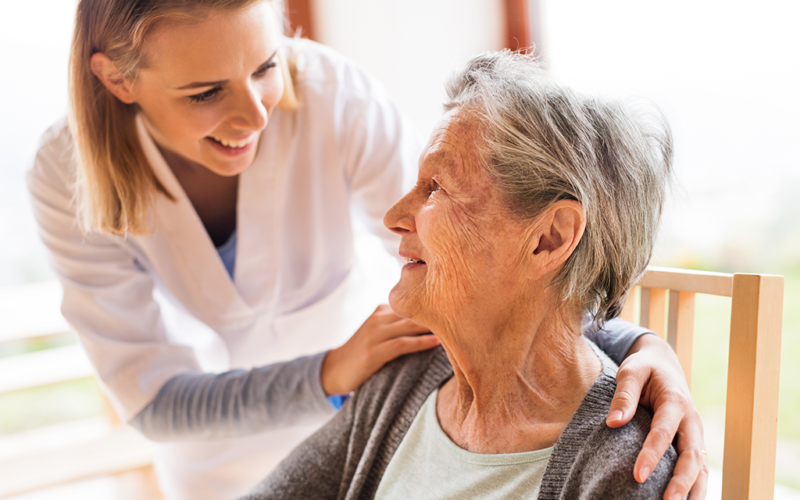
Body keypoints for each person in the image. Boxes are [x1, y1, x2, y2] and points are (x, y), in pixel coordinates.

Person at [26, 1, 706, 499]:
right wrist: (333, 375)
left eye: (267, 66)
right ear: (118, 81)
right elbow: (156, 401)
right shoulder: (64, 176)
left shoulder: (331, 96)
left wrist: (634, 342)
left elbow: (498, 257)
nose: (258, 113)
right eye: (205, 92)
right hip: (239, 453)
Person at [241, 51, 688, 500]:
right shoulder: (405, 379)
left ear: (549, 239)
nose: (394, 216)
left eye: (435, 187)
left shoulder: (625, 469)